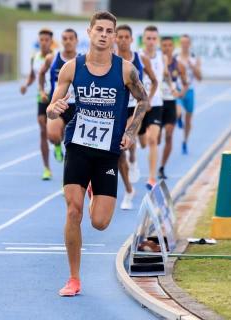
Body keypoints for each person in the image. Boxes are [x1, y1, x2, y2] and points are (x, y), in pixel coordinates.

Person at [46, 11, 149, 296]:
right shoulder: (71, 68)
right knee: (72, 211)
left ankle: (94, 191)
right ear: (89, 32)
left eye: (109, 31)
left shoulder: (126, 70)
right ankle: (74, 279)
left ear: (115, 37)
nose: (104, 35)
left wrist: (129, 132)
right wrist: (53, 110)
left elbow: (143, 100)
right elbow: (52, 106)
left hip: (107, 153)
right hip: (78, 147)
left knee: (100, 223)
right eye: (99, 29)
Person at [115, 24, 157, 209]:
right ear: (115, 39)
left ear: (132, 40)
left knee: (125, 141)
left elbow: (154, 81)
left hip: (135, 108)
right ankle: (129, 189)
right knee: (120, 152)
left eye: (126, 37)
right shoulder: (111, 59)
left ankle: (132, 160)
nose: (123, 40)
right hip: (117, 110)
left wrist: (148, 100)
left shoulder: (140, 59)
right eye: (120, 36)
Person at [39, 29, 79, 160]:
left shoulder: (83, 59)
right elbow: (41, 73)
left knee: (76, 143)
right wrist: (41, 90)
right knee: (53, 135)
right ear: (61, 41)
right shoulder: (52, 58)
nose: (68, 41)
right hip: (58, 104)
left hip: (77, 106)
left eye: (71, 38)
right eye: (65, 38)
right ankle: (57, 145)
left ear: (76, 41)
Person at [20, 29, 54, 180]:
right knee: (42, 128)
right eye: (42, 40)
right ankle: (46, 168)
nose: (44, 42)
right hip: (42, 96)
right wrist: (26, 85)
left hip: (55, 96)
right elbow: (33, 76)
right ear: (38, 41)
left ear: (51, 42)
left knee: (58, 132)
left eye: (47, 40)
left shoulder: (55, 58)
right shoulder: (35, 57)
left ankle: (58, 143)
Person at [139, 25, 167, 190]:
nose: (150, 41)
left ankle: (151, 177)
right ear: (143, 39)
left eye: (153, 38)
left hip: (156, 103)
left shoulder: (162, 57)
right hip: (140, 104)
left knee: (152, 140)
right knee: (142, 141)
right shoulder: (138, 57)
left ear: (157, 40)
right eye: (148, 38)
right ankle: (134, 161)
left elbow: (165, 76)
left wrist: (173, 87)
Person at [158, 36, 188, 179]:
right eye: (164, 45)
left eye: (169, 45)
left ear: (173, 47)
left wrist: (181, 93)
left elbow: (186, 83)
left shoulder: (179, 65)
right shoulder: (155, 62)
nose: (167, 48)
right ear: (161, 46)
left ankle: (162, 167)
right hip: (157, 102)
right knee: (156, 139)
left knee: (169, 135)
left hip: (171, 102)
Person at [176, 34, 202, 154]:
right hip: (178, 89)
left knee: (188, 120)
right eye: (182, 42)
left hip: (190, 90)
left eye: (186, 42)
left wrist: (193, 67)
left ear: (189, 44)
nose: (184, 45)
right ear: (180, 44)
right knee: (178, 110)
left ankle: (185, 141)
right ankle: (178, 117)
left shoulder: (194, 58)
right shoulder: (175, 57)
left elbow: (200, 77)